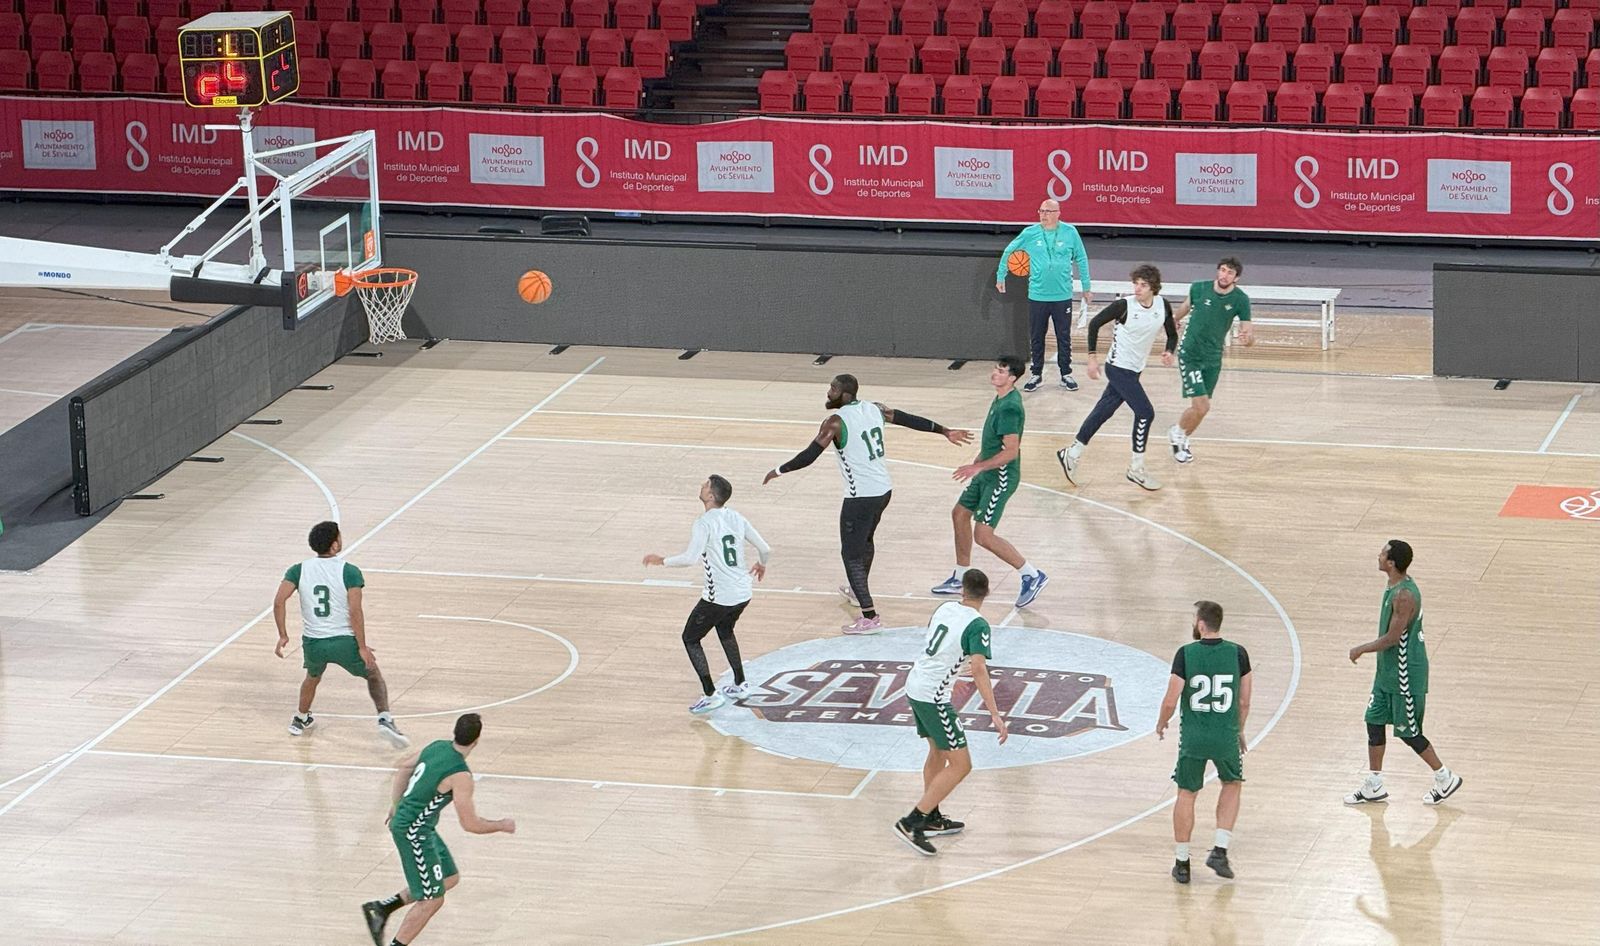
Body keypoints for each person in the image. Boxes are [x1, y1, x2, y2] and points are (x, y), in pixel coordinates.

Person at [763, 374, 971, 634]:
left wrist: (778, 470)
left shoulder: (835, 422)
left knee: (850, 554)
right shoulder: (875, 408)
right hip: (883, 490)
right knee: (866, 542)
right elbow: (907, 419)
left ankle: (869, 617)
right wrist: (944, 431)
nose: (829, 393)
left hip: (860, 497)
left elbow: (809, 456)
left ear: (845, 395)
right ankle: (855, 590)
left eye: (833, 389)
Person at [360, 713, 515, 946]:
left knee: (449, 877)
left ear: (455, 732)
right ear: (477, 740)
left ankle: (382, 908)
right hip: (414, 832)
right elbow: (470, 824)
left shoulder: (437, 746)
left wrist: (396, 805)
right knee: (432, 899)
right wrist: (501, 825)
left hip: (421, 828)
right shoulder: (460, 775)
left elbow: (403, 767)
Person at [894, 569, 1009, 855]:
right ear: (988, 592)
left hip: (916, 684)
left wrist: (952, 673)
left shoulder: (944, 608)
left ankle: (931, 816)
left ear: (962, 590)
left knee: (936, 751)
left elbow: (940, 646)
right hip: (933, 696)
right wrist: (995, 714)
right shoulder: (978, 625)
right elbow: (979, 669)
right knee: (961, 764)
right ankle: (913, 822)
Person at [1346, 540, 1463, 807]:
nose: (1378, 555)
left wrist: (1361, 649)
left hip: (1405, 674)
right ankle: (1374, 784)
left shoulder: (1404, 596)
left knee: (1409, 732)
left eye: (1382, 553)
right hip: (1387, 672)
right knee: (1373, 721)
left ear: (1391, 563)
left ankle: (1444, 777)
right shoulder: (1393, 587)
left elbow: (1392, 638)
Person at [273, 520, 408, 748]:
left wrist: (283, 635)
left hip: (313, 642)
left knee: (312, 678)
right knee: (374, 674)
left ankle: (300, 718)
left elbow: (278, 602)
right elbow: (355, 611)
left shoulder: (298, 569)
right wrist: (362, 646)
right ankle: (385, 719)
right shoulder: (350, 571)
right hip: (343, 641)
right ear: (335, 545)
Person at [644, 475, 770, 714]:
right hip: (743, 592)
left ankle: (711, 694)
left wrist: (662, 560)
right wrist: (762, 564)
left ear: (711, 496)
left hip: (719, 596)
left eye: (705, 485)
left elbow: (690, 558)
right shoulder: (736, 517)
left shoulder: (704, 522)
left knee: (690, 638)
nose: (701, 486)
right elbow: (765, 548)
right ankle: (740, 683)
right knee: (725, 630)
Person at [931, 356, 1048, 609]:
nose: (995, 373)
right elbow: (994, 443)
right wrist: (978, 464)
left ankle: (1031, 574)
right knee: (960, 514)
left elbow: (1011, 452)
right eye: (995, 368)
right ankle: (960, 576)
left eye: (1001, 371)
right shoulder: (1001, 398)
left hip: (1001, 477)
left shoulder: (1010, 408)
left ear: (1013, 378)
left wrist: (977, 466)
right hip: (987, 471)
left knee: (983, 535)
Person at [1056, 264, 1178, 492]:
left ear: (1154, 288)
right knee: (1145, 413)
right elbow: (1094, 324)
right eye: (1136, 283)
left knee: (1103, 412)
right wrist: (1092, 358)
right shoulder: (1124, 306)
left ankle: (1072, 453)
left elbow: (1172, 334)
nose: (1138, 288)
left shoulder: (1163, 305)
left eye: (1143, 285)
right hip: (1118, 368)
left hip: (1135, 369)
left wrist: (1169, 351)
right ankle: (1136, 468)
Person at [1156, 600, 1252, 884]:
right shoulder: (1238, 653)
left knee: (1187, 792)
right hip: (1225, 733)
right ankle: (1220, 850)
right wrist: (1239, 730)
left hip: (1194, 737)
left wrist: (1161, 722)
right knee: (1232, 784)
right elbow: (1245, 701)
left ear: (1200, 623)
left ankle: (1182, 862)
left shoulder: (1185, 653)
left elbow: (1171, 699)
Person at [996, 197, 1093, 393]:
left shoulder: (1070, 232)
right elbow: (1009, 251)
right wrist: (1001, 276)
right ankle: (1036, 374)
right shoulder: (1030, 233)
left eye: (1048, 211)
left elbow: (1081, 258)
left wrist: (1086, 286)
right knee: (1036, 336)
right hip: (1038, 295)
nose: (1043, 215)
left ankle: (1066, 374)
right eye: (1041, 211)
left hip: (1062, 295)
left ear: (1058, 213)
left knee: (1063, 336)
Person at [1168, 257, 1252, 464]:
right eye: (1222, 270)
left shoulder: (1241, 300)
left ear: (1236, 278)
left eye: (1230, 272)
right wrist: (1174, 320)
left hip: (1213, 358)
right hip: (1190, 354)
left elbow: (1248, 333)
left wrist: (1247, 339)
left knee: (1201, 408)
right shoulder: (1199, 288)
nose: (1224, 275)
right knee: (1202, 406)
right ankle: (1178, 434)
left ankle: (1182, 436)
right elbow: (1186, 307)